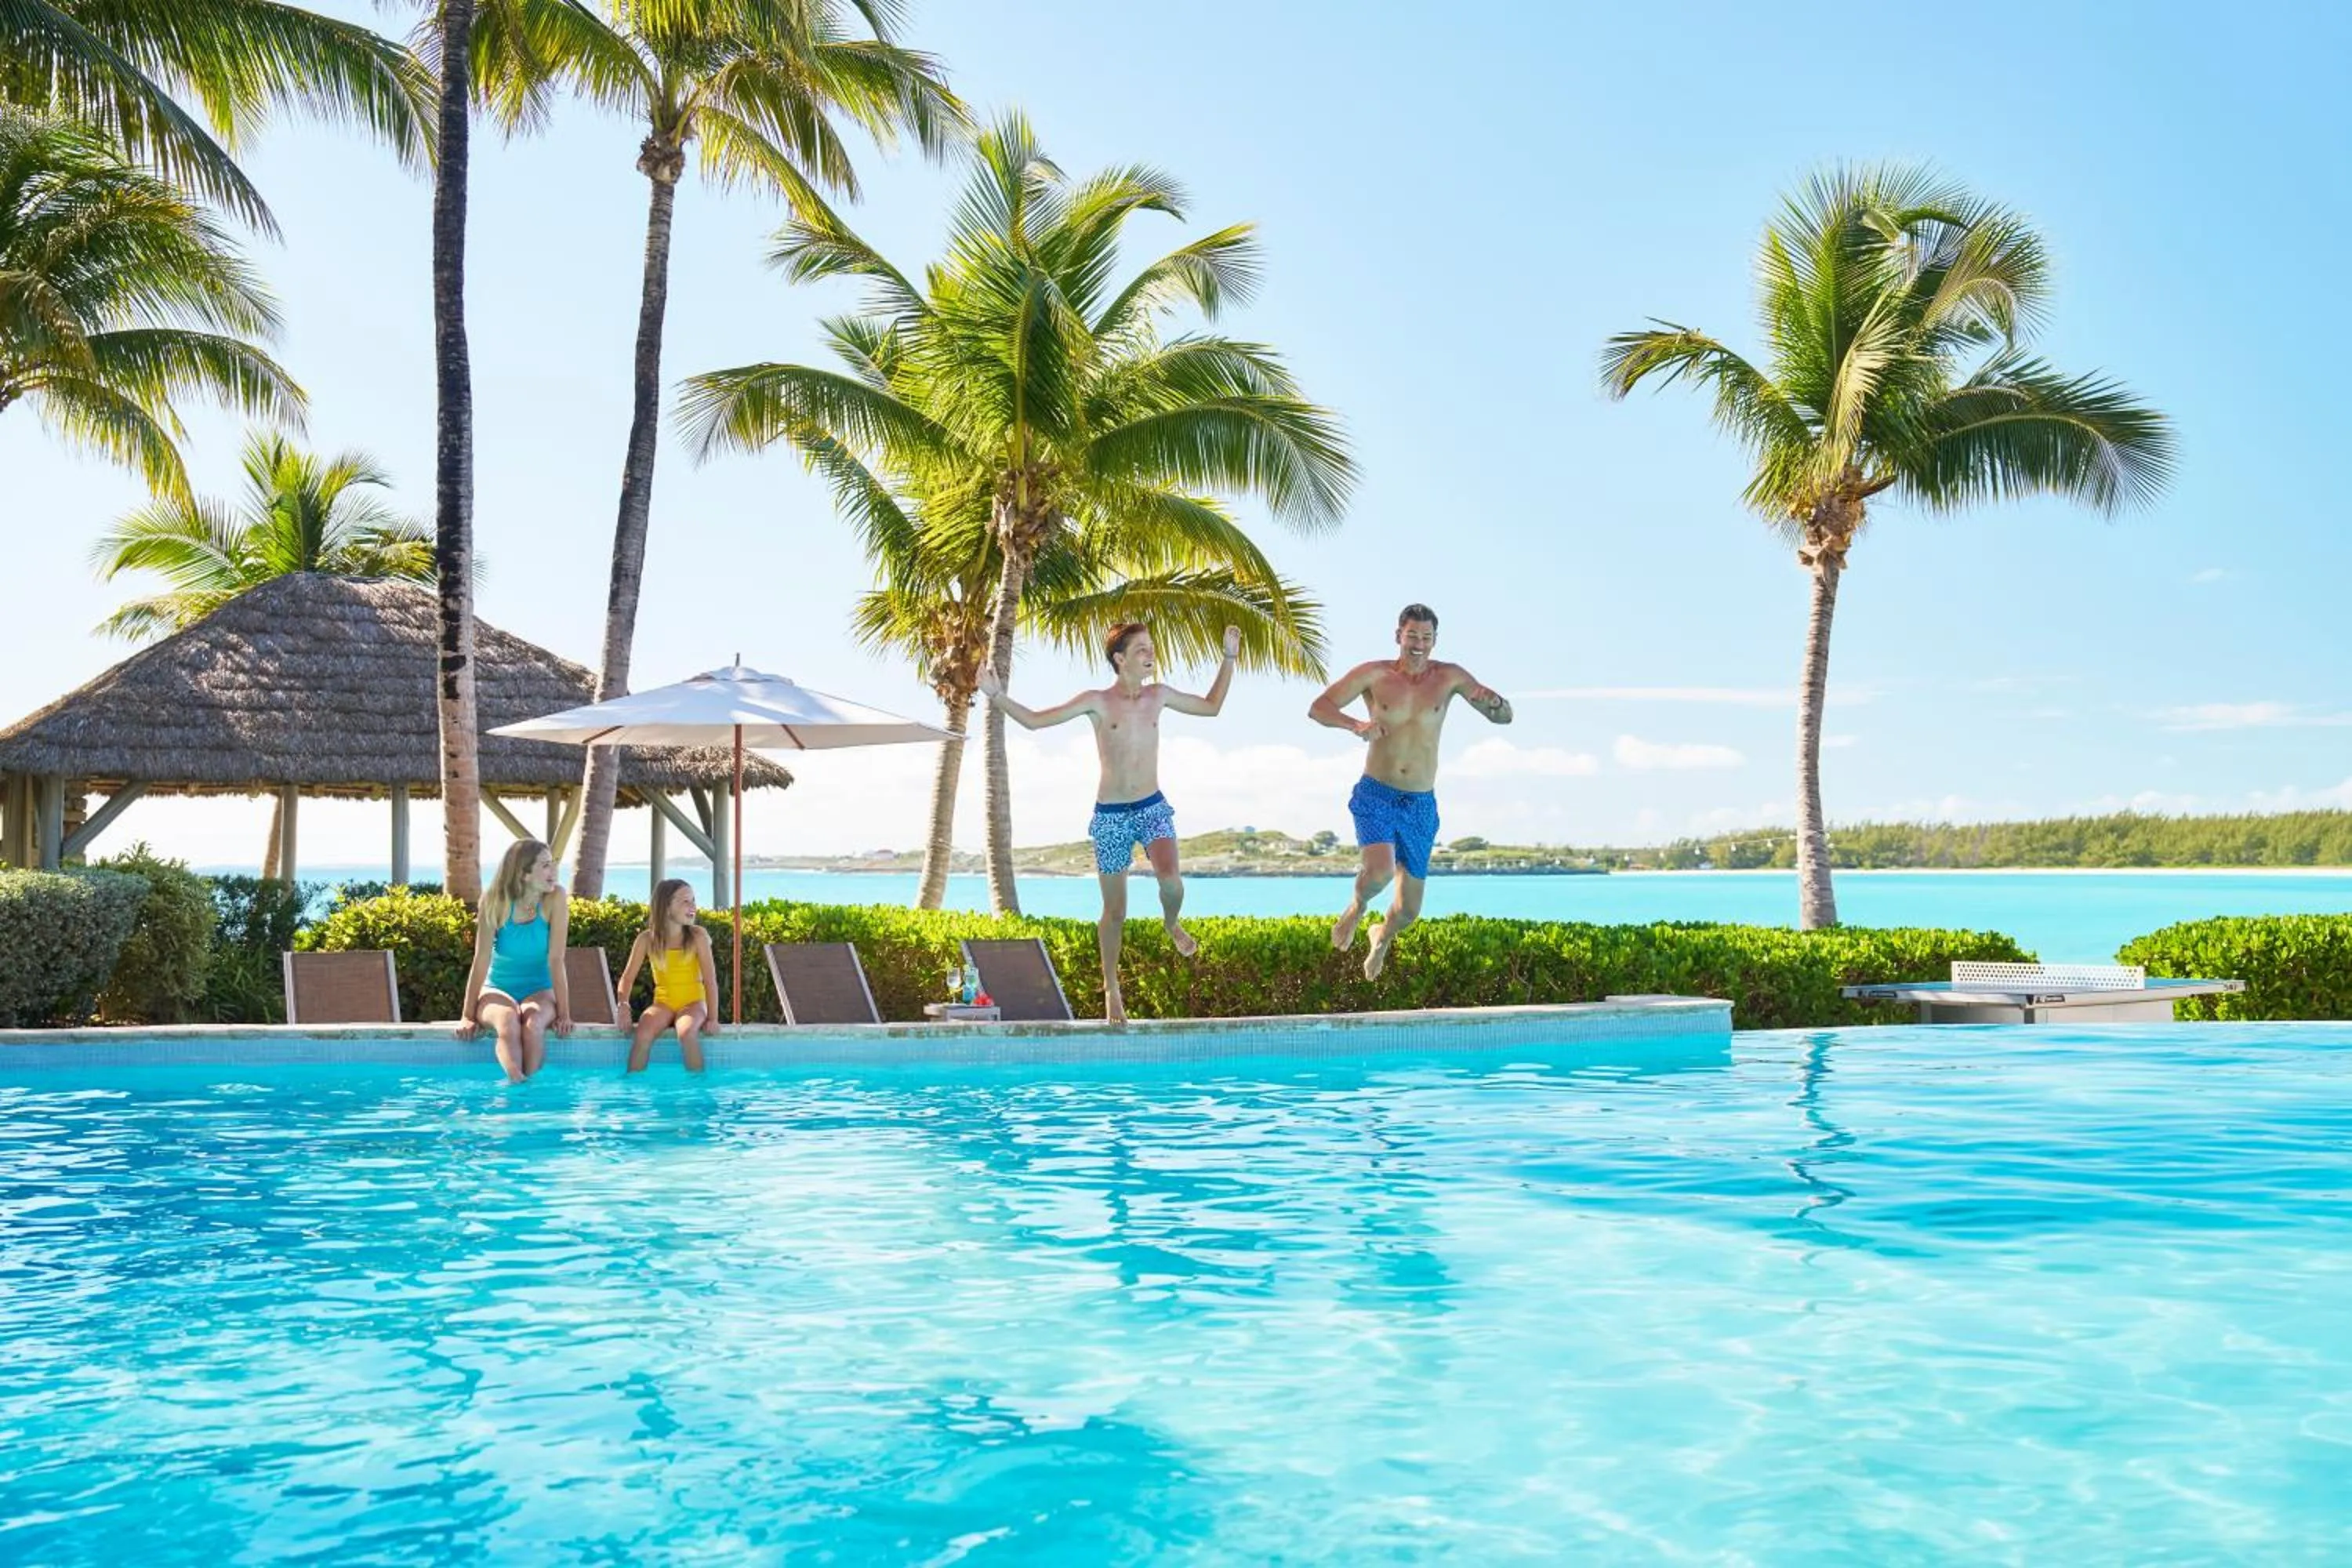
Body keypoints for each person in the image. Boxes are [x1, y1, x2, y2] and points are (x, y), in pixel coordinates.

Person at [978, 622, 1241, 1022]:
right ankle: (1111, 988)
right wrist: (997, 697)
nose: (1150, 654)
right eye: (1140, 649)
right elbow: (1035, 721)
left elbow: (1213, 706)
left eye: (1151, 647)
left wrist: (1229, 658)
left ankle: (1172, 924)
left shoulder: (1160, 696)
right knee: (1114, 912)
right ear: (1120, 659)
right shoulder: (1097, 702)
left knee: (1171, 880)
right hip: (1111, 816)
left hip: (1152, 806)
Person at [1308, 604, 1512, 980]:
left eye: (1426, 637)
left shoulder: (1449, 677)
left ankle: (1381, 937)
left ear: (1435, 640)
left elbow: (1504, 716)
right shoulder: (1374, 674)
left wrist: (1495, 703)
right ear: (1398, 635)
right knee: (1380, 873)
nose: (1418, 644)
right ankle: (1357, 907)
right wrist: (1356, 724)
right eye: (1412, 635)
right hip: (1377, 794)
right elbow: (1319, 708)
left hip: (1420, 802)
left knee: (1408, 912)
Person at [456, 838, 574, 1080]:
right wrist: (467, 1016)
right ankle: (517, 1085)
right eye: (545, 866)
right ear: (524, 874)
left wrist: (564, 1014)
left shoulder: (556, 898)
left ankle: (530, 1091)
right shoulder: (494, 901)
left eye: (553, 863)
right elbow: (481, 960)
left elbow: (556, 960)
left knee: (533, 1027)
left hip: (540, 990)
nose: (554, 871)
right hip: (498, 989)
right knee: (508, 1024)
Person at [613, 878, 720, 1073]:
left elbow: (711, 981)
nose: (693, 906)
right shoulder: (646, 939)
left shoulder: (698, 937)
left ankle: (698, 1088)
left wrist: (713, 1018)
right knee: (643, 1032)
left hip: (694, 1002)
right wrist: (623, 1005)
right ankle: (631, 1087)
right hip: (663, 1003)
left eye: (693, 900)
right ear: (666, 906)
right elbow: (627, 978)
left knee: (686, 1034)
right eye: (685, 901)